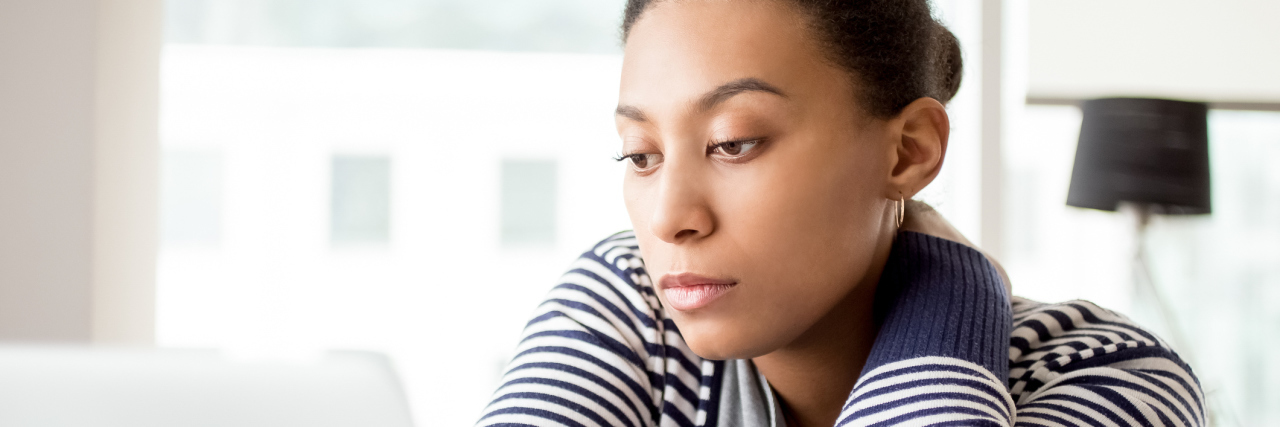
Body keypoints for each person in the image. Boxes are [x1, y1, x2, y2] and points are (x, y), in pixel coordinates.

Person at [476, 0, 1204, 425]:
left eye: (734, 142)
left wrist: (950, 297)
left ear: (908, 151)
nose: (669, 217)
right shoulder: (627, 305)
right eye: (640, 154)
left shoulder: (1111, 375)